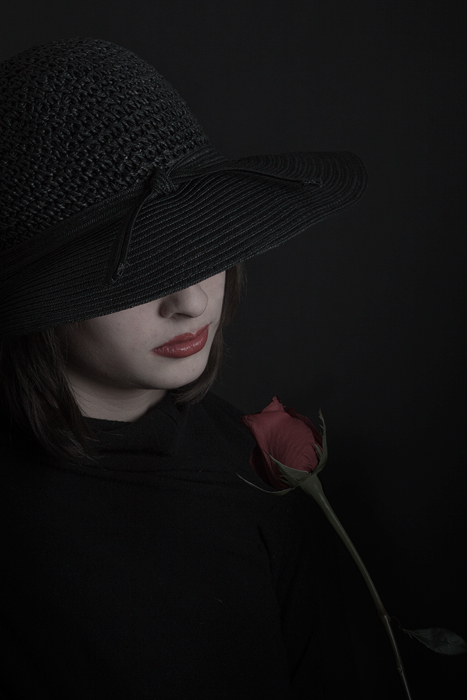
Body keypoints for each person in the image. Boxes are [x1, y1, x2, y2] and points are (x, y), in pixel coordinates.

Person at [0, 38, 367, 699]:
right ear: (43, 292)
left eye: (200, 247)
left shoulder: (263, 481)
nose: (192, 300)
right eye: (137, 267)